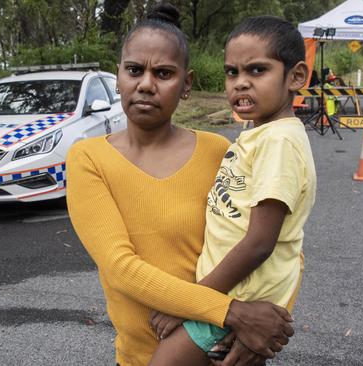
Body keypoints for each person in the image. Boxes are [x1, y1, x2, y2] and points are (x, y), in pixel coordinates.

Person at [66, 4, 294, 366]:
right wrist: (232, 312)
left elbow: (276, 239)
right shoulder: (88, 159)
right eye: (134, 70)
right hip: (145, 356)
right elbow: (121, 267)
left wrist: (264, 325)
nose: (145, 84)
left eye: (163, 73)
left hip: (228, 351)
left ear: (186, 85)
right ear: (118, 78)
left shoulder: (219, 151)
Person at [148, 15, 317, 366]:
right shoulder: (262, 135)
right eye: (232, 72)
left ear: (296, 76)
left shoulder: (279, 142)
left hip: (236, 297)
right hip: (230, 294)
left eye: (257, 71)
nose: (240, 84)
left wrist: (190, 302)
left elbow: (260, 242)